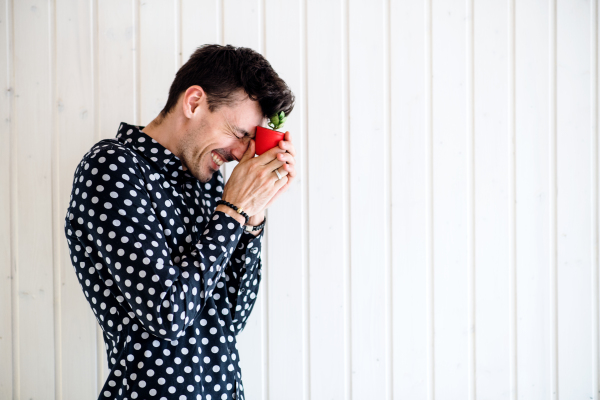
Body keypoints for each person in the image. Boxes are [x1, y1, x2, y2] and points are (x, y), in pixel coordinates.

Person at [63, 44, 296, 400]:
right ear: (193, 102)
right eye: (238, 133)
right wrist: (233, 209)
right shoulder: (111, 168)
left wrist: (253, 212)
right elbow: (168, 315)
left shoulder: (210, 184)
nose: (239, 154)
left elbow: (229, 321)